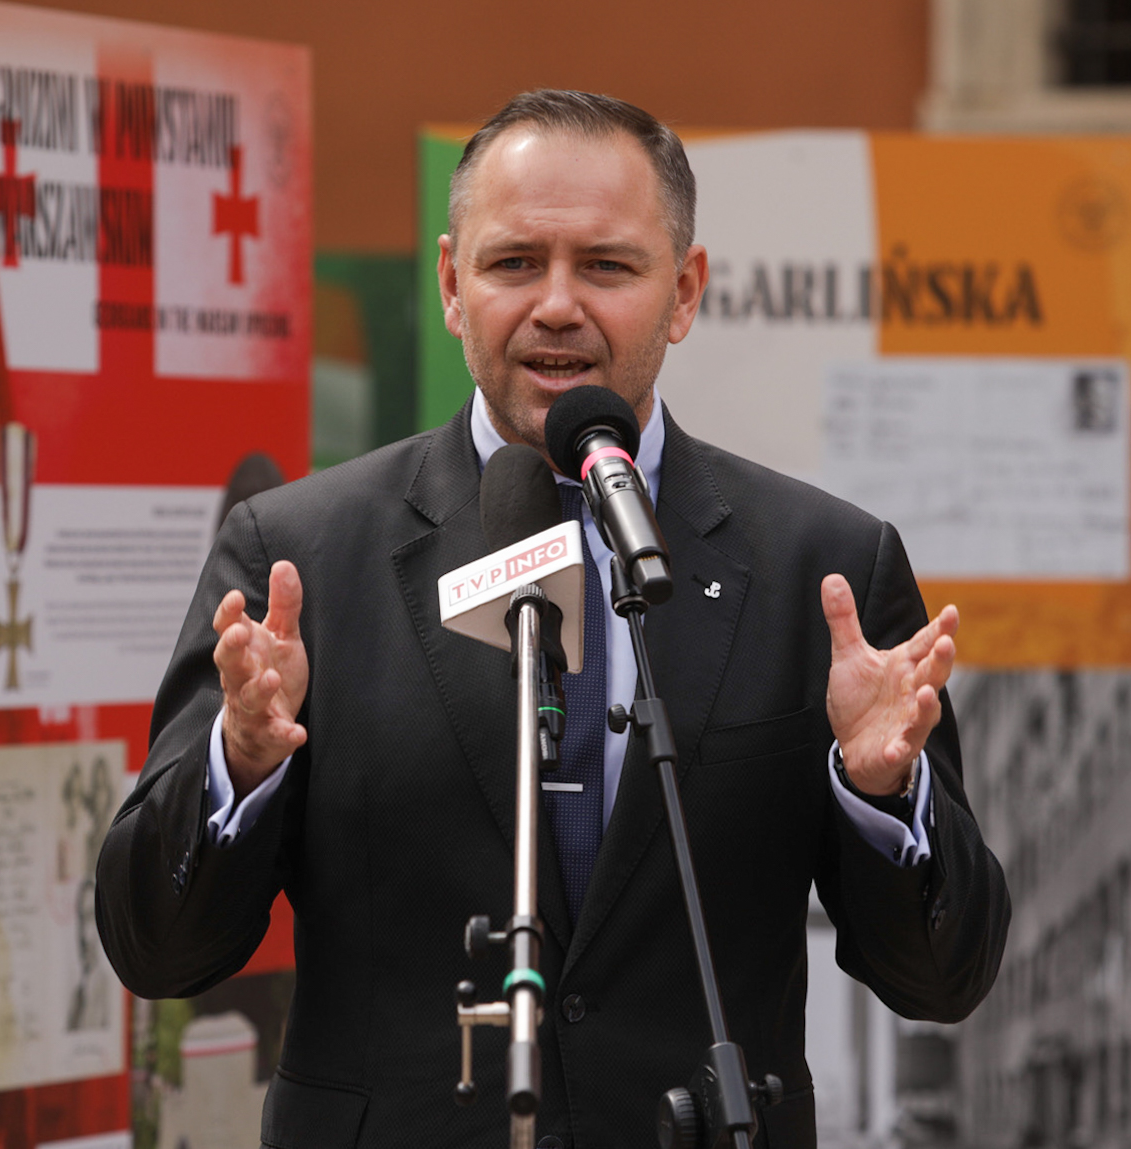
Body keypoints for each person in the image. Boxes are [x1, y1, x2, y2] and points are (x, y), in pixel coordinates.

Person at [97, 90, 1009, 1149]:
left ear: (684, 292)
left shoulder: (822, 569)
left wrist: (880, 791)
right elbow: (157, 951)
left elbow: (941, 979)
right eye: (515, 263)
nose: (558, 306)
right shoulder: (301, 557)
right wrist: (240, 764)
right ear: (452, 285)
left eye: (607, 267)